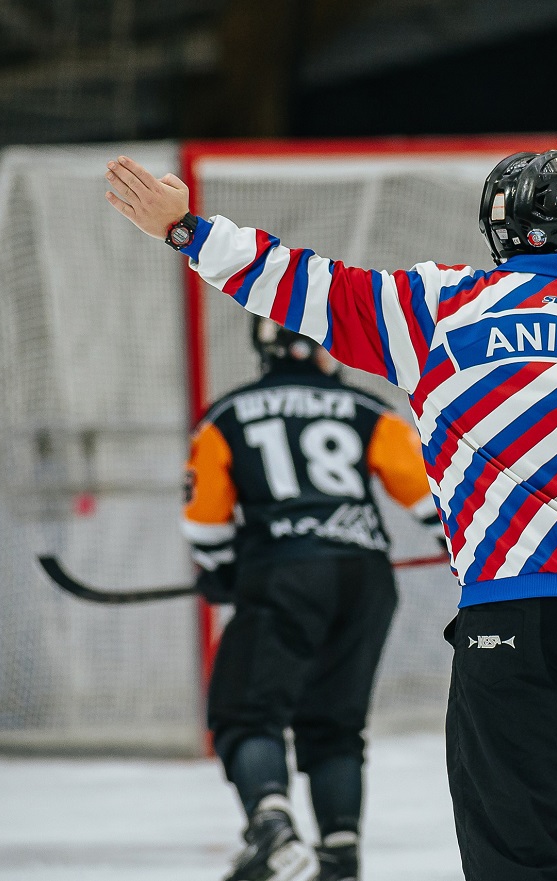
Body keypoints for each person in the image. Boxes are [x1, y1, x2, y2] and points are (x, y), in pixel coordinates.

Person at [105, 148, 557, 881]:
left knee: (515, 852)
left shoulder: (435, 306)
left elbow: (306, 286)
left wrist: (186, 231)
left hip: (507, 619)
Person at [184, 317, 438, 881]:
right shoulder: (368, 409)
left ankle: (273, 832)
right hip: (365, 579)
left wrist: (220, 571)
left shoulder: (226, 414)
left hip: (282, 574)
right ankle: (340, 856)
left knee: (244, 714)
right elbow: (432, 498)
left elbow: (205, 522)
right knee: (335, 726)